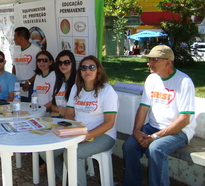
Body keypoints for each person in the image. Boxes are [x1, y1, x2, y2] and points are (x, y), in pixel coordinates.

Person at [122, 45, 196, 186]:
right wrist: (136, 131)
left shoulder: (184, 82)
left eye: (155, 60)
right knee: (130, 145)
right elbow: (143, 107)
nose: (149, 63)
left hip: (180, 131)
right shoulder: (151, 79)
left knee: (155, 149)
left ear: (168, 62)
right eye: (149, 59)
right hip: (153, 127)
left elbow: (184, 119)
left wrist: (155, 137)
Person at [42, 55, 118, 185]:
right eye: (83, 68)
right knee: (45, 149)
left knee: (72, 154)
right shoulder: (76, 89)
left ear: (98, 70)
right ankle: (62, 174)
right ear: (80, 71)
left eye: (91, 67)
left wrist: (87, 135)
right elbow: (69, 114)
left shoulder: (107, 90)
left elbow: (109, 123)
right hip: (78, 131)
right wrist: (74, 129)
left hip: (103, 135)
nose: (87, 71)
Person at [12, 26, 41, 102]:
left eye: (15, 36)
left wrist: (29, 82)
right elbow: (14, 67)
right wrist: (14, 81)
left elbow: (40, 69)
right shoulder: (16, 49)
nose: (14, 39)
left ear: (21, 38)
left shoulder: (36, 50)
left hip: (31, 85)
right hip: (19, 85)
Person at [51, 50, 77, 117]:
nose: (63, 65)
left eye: (66, 62)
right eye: (60, 63)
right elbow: (53, 105)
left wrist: (64, 111)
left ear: (72, 63)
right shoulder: (58, 81)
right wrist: (59, 110)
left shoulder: (78, 82)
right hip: (60, 119)